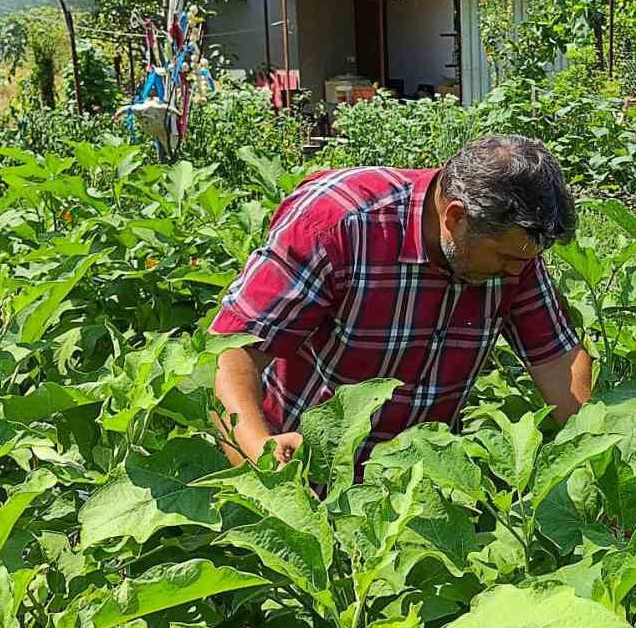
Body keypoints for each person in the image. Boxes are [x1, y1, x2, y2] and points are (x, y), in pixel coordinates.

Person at [208, 134, 593, 477]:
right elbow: (234, 353)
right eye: (506, 257)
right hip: (306, 467)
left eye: (526, 259)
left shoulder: (512, 253)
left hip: (417, 486)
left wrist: (605, 468)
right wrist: (258, 449)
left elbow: (557, 359)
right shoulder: (337, 222)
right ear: (455, 217)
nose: (517, 270)